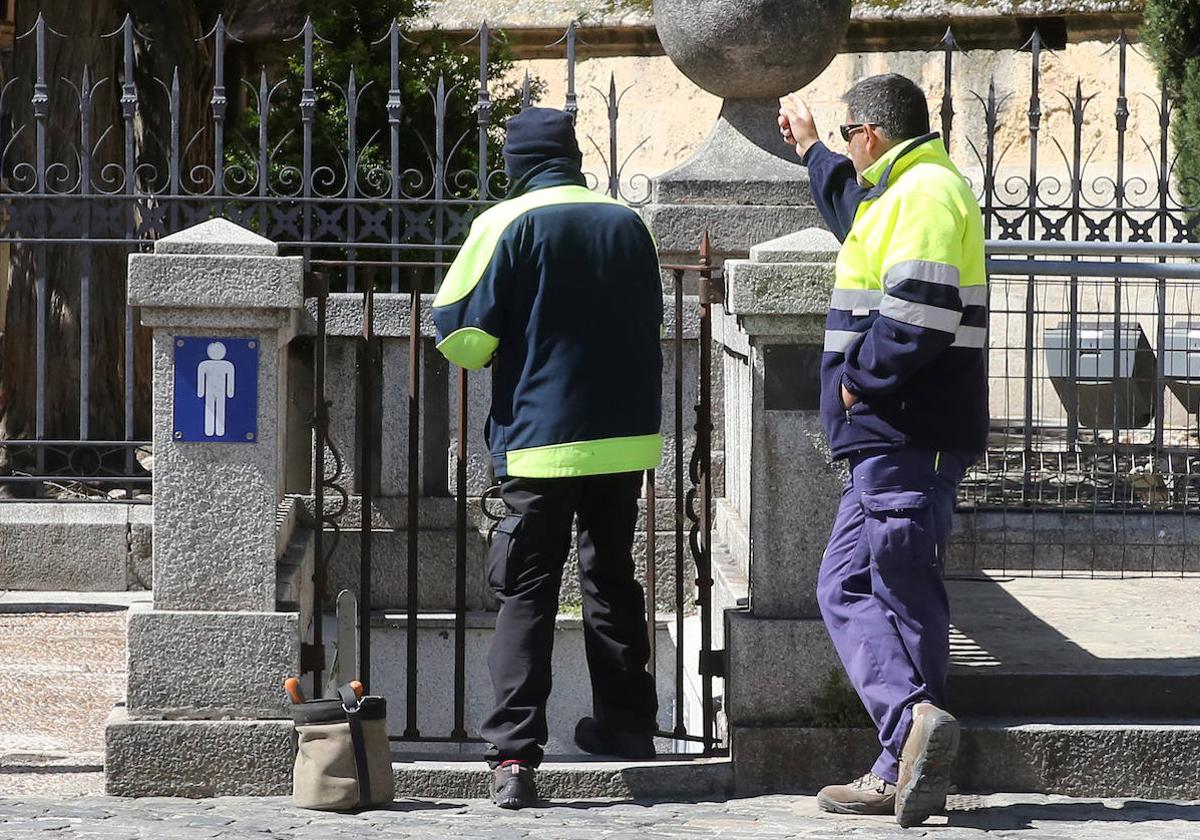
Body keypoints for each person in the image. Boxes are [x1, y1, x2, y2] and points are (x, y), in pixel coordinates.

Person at [432, 107, 663, 811]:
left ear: (517, 162)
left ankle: (513, 755)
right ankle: (627, 724)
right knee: (612, 576)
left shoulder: (506, 222)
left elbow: (460, 336)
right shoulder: (629, 222)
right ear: (573, 156)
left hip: (540, 438)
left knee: (526, 590)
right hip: (625, 437)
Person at [778, 74, 989, 828]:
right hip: (895, 434)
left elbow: (921, 312)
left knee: (899, 592)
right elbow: (853, 213)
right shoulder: (900, 190)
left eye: (842, 135)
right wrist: (809, 152)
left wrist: (858, 382)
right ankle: (905, 749)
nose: (844, 148)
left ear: (869, 133)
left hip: (903, 427)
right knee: (850, 585)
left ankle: (907, 742)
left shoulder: (925, 192)